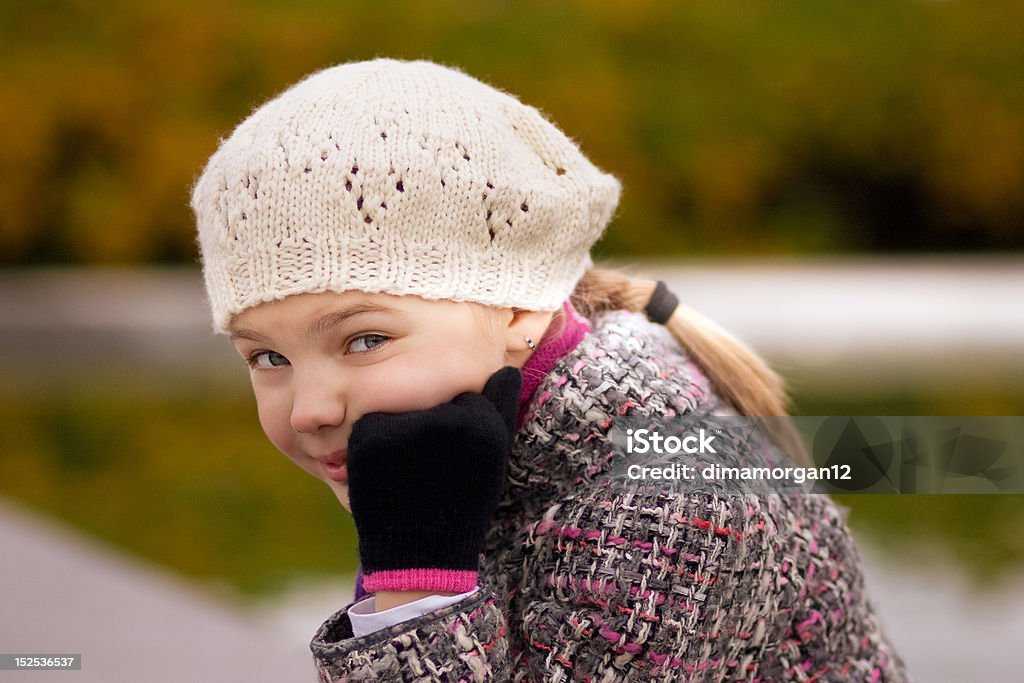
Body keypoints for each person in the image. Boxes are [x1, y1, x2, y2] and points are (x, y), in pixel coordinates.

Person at [191, 58, 909, 681]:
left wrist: (414, 584)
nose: (308, 408)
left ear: (517, 308)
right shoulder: (454, 445)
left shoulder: (668, 507)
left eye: (364, 338)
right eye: (268, 356)